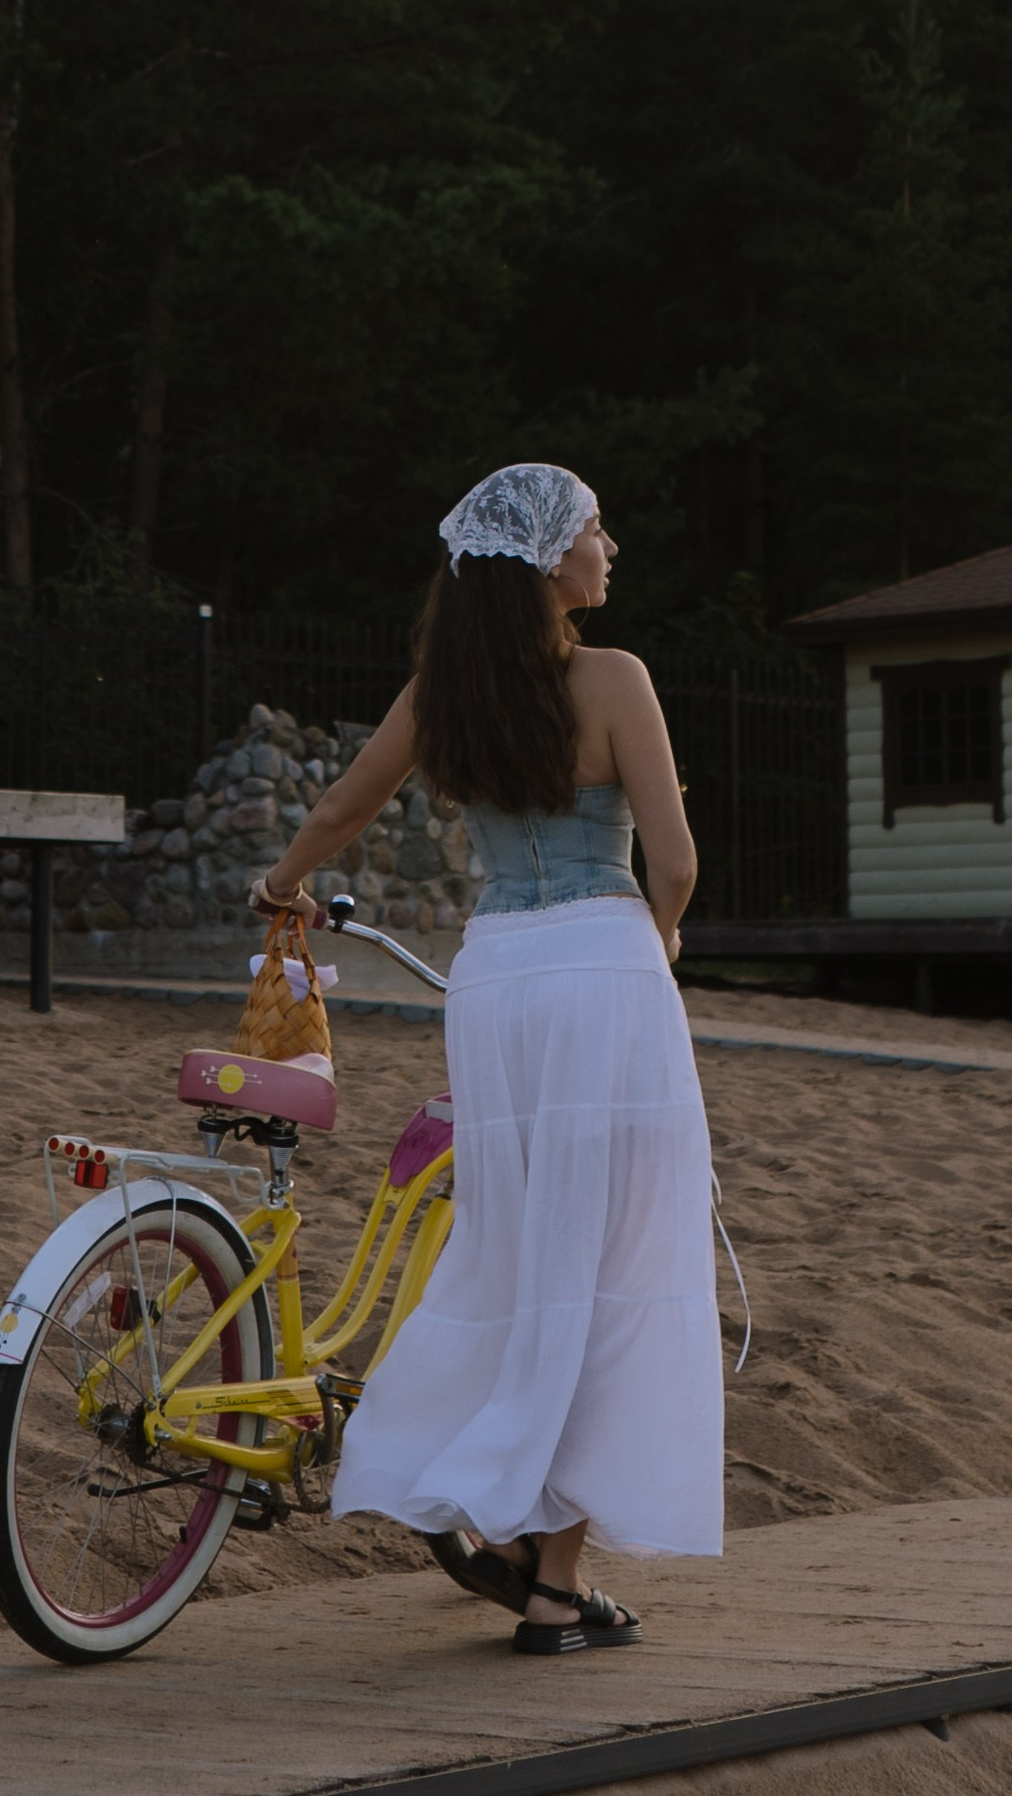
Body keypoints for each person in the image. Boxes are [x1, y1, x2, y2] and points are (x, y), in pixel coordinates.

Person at [247, 463, 721, 1655]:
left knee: (521, 1250)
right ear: (551, 561)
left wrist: (286, 884)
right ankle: (553, 1578)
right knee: (608, 1263)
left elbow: (348, 803)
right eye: (594, 530)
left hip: (498, 979)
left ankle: (511, 1525)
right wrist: (657, 940)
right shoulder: (612, 680)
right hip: (604, 971)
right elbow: (672, 861)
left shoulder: (442, 692)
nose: (610, 546)